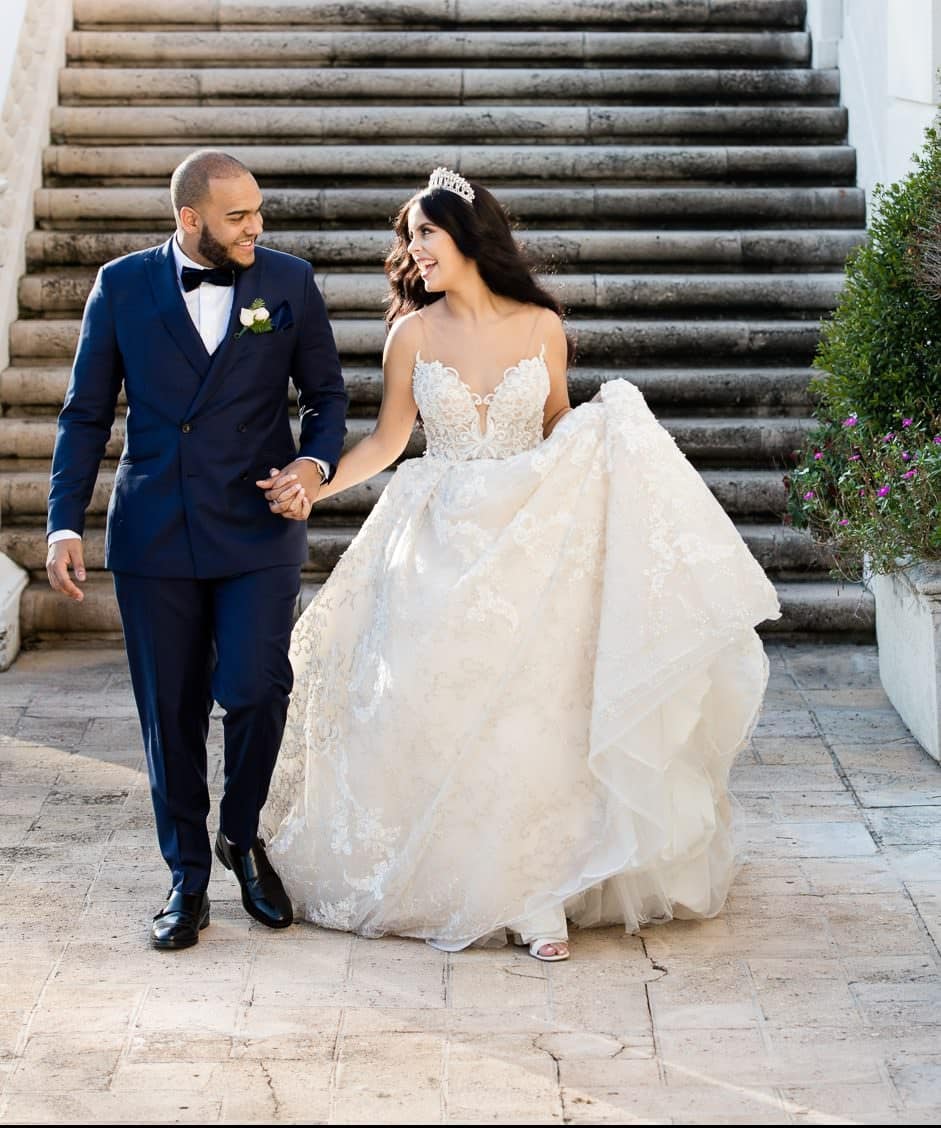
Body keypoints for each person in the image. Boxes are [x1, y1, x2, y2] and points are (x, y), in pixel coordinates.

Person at [260, 168, 781, 961]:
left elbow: (554, 423)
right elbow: (389, 440)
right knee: (433, 702)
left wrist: (608, 440)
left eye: (424, 234)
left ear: (468, 238)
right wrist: (319, 479)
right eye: (408, 238)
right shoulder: (411, 334)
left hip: (528, 534)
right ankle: (449, 875)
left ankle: (535, 894)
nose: (412, 250)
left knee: (533, 712)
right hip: (434, 537)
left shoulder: (542, 325)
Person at [46, 150, 348, 950]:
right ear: (190, 220)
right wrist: (64, 521)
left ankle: (240, 836)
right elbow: (84, 413)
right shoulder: (122, 284)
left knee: (256, 686)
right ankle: (185, 876)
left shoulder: (287, 282)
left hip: (257, 524)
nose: (257, 227)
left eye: (258, 211)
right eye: (238, 216)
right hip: (155, 530)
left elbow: (326, 396)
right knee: (169, 712)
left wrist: (312, 467)